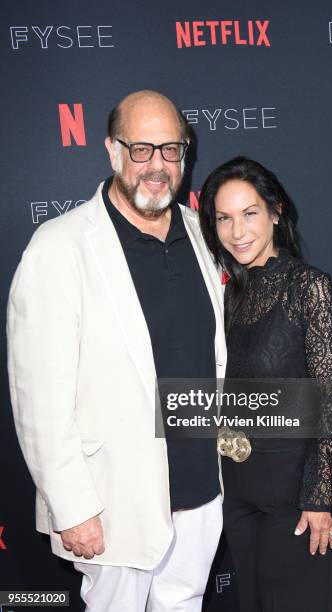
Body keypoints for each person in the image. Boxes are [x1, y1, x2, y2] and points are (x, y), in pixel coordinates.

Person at [7, 90, 226, 612]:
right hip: (112, 499)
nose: (157, 166)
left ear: (186, 153)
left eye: (170, 149)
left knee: (184, 603)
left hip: (200, 485)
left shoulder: (204, 234)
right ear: (112, 151)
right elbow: (37, 400)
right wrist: (72, 507)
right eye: (141, 149)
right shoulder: (58, 247)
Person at [198, 156, 332, 612]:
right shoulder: (226, 293)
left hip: (298, 497)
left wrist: (321, 497)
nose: (237, 232)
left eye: (249, 213)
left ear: (276, 211)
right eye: (224, 218)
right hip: (237, 491)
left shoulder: (308, 287)